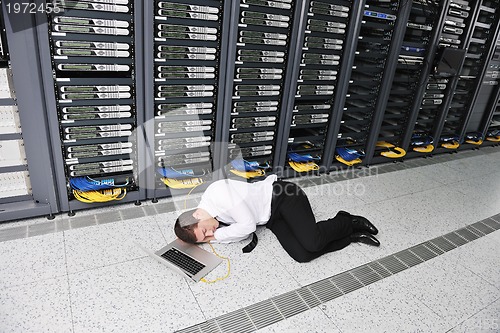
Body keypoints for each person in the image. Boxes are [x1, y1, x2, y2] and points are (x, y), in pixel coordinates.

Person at [174, 174, 380, 263]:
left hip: (285, 197)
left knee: (313, 241)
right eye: (206, 237)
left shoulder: (219, 195)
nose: (211, 233)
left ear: (197, 215)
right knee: (303, 255)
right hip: (271, 216)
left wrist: (215, 238)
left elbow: (246, 226)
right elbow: (241, 232)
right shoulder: (208, 216)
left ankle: (347, 221)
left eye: (205, 231)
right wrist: (206, 237)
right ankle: (351, 237)